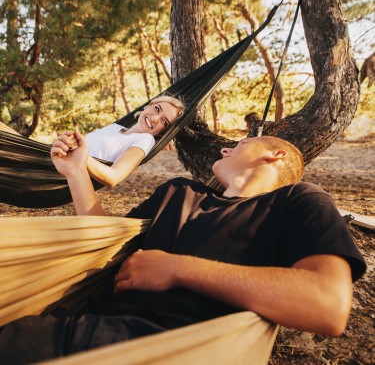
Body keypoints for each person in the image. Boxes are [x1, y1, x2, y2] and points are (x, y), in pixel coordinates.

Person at [0, 133, 366, 364]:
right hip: (78, 326)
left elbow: (327, 305)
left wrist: (176, 268)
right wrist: (77, 172)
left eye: (239, 144)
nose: (225, 146)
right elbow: (104, 240)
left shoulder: (297, 201)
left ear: (276, 155)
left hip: (176, 347)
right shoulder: (179, 192)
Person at [1, 95, 185, 188]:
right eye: (157, 109)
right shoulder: (115, 128)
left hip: (57, 174)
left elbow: (113, 178)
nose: (155, 119)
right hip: (48, 158)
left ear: (164, 131)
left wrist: (81, 157)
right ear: (148, 105)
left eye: (164, 122)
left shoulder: (144, 140)